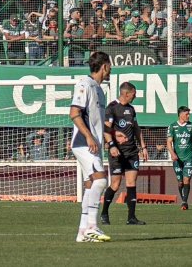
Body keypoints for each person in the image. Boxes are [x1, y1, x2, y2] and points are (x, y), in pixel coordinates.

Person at [69, 50, 112, 243]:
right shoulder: (84, 84)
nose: (110, 69)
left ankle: (82, 231)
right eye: (109, 66)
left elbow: (95, 121)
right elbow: (74, 113)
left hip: (93, 144)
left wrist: (107, 136)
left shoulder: (99, 90)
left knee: (90, 184)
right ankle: (92, 227)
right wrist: (88, 137)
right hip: (83, 143)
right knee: (101, 180)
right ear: (104, 66)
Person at [99, 81, 148, 226]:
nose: (135, 96)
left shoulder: (131, 110)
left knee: (131, 183)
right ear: (126, 93)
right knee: (115, 184)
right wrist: (112, 145)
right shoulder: (112, 108)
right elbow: (106, 129)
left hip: (132, 151)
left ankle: (131, 217)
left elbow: (137, 129)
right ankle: (104, 213)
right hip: (117, 153)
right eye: (134, 93)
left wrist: (143, 147)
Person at [166, 105, 192, 210]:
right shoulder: (172, 126)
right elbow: (169, 142)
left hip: (188, 158)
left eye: (189, 114)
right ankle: (183, 200)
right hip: (177, 159)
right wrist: (172, 153)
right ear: (180, 114)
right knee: (180, 181)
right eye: (186, 114)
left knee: (187, 180)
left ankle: (184, 202)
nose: (188, 116)